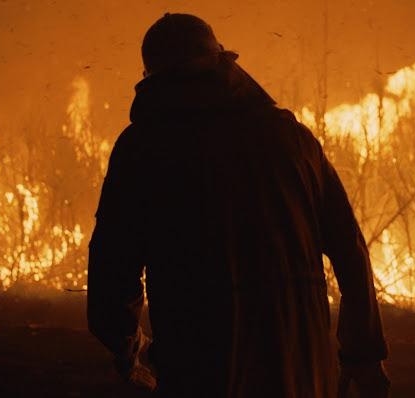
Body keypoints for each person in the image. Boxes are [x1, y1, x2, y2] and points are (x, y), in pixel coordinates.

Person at [87, 13, 389, 397]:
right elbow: (350, 250)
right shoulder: (292, 141)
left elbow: (112, 270)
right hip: (299, 364)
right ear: (223, 61)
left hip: (200, 365)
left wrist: (128, 349)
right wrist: (363, 354)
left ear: (152, 77)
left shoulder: (143, 148)